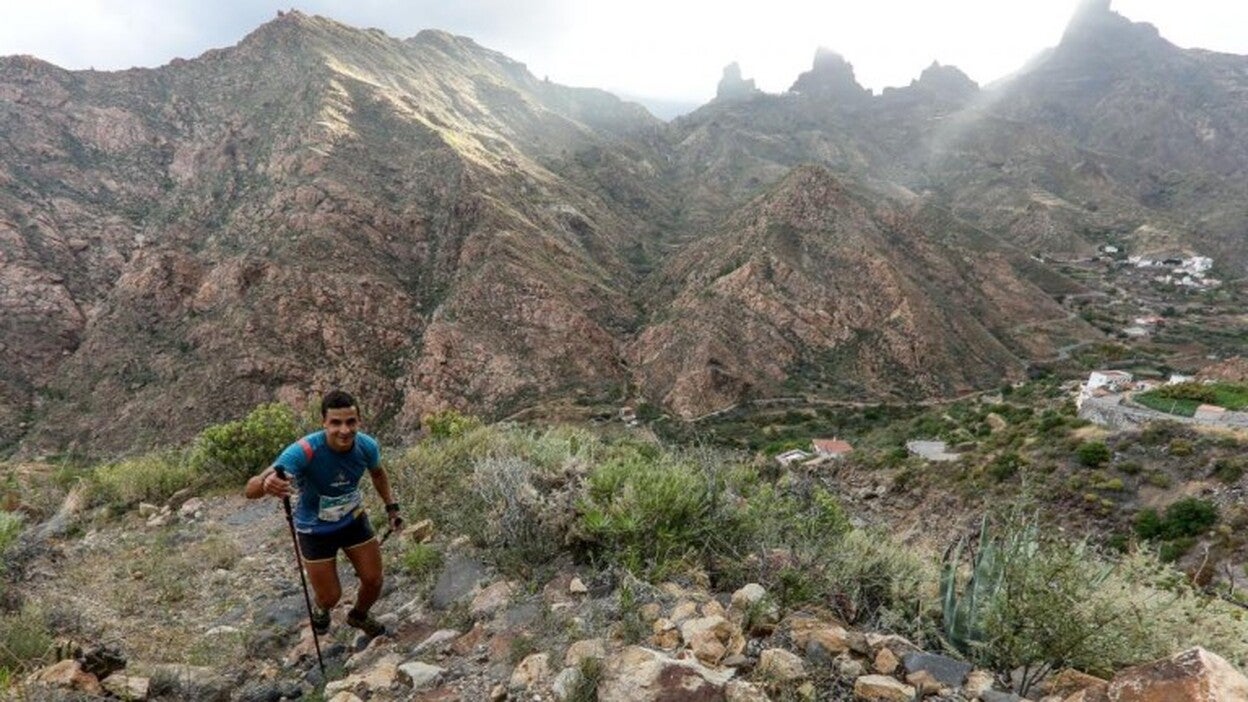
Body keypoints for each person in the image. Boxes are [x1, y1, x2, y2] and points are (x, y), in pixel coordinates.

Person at [245, 390, 402, 637]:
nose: (344, 430)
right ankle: (322, 609)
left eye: (351, 422)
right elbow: (251, 489)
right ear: (324, 424)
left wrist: (391, 507)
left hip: (353, 519)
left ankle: (359, 616)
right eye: (336, 423)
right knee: (330, 596)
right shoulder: (304, 451)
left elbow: (378, 474)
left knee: (374, 580)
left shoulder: (366, 446)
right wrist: (266, 485)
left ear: (359, 421)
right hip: (315, 529)